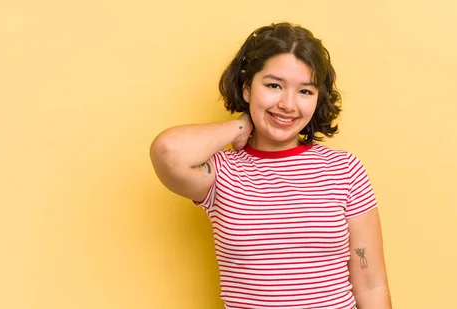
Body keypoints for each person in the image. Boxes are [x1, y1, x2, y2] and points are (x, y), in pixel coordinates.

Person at [150, 22, 392, 309]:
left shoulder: (344, 169)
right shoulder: (221, 173)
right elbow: (168, 151)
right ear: (247, 87)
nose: (288, 104)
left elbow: (371, 284)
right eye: (274, 85)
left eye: (305, 91)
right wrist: (240, 125)